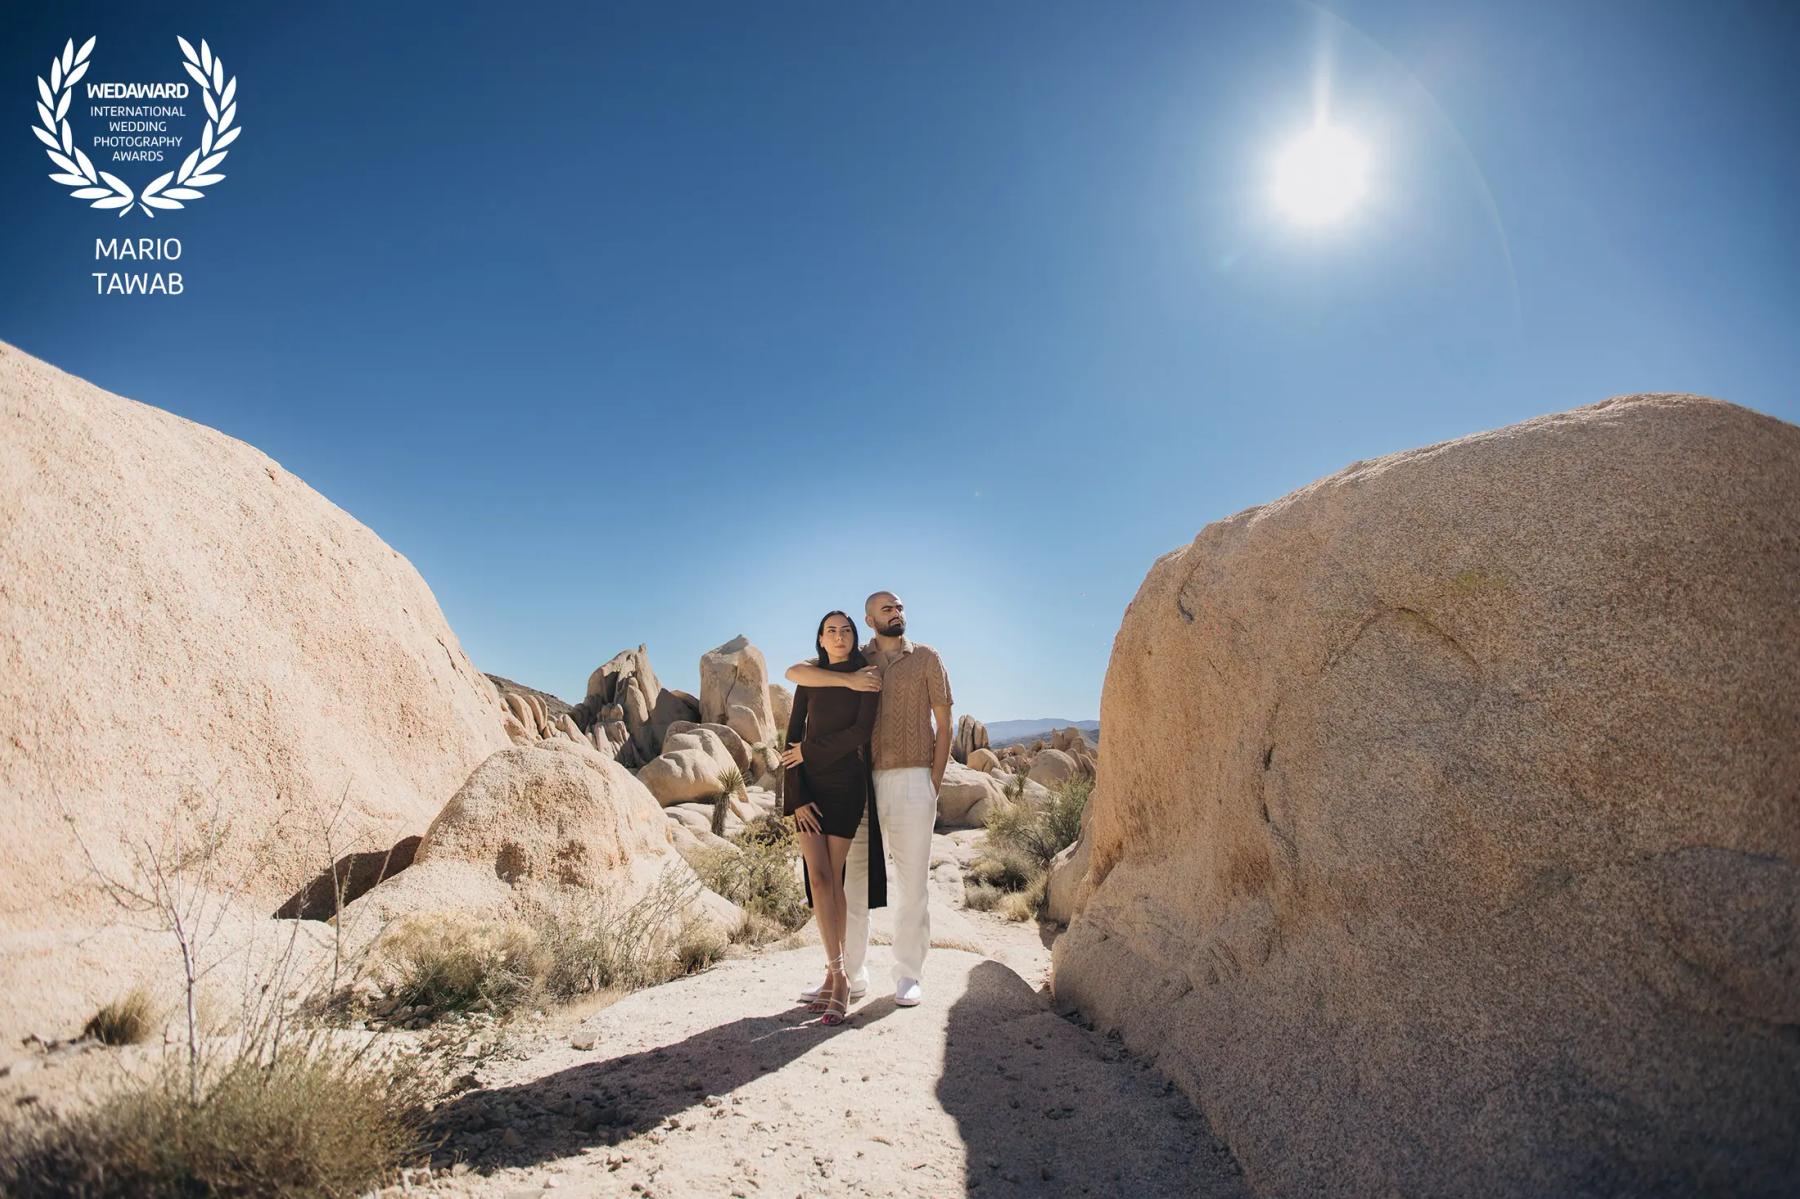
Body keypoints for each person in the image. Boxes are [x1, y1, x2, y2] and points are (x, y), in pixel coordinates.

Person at [786, 591, 951, 1008]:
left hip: (914, 778)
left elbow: (944, 721)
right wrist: (843, 678)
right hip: (862, 780)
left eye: (899, 608)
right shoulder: (858, 659)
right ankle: (850, 973)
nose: (896, 614)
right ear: (870, 619)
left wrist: (934, 780)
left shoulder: (927, 657)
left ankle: (908, 974)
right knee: (853, 884)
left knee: (913, 883)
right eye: (887, 609)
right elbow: (803, 674)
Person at [780, 610, 885, 1025]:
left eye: (845, 631)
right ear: (821, 639)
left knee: (832, 877)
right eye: (831, 631)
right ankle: (836, 972)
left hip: (845, 785)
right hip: (809, 786)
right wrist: (798, 795)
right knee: (817, 878)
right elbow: (792, 737)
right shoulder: (809, 677)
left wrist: (811, 749)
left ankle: (835, 978)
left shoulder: (869, 676)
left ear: (853, 637)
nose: (838, 636)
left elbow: (860, 732)